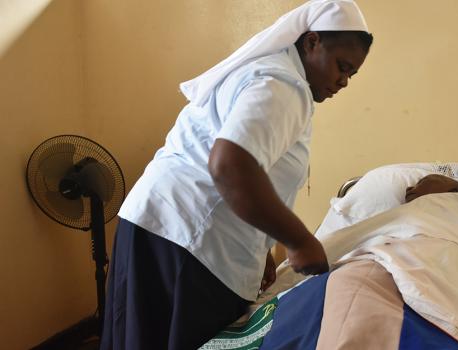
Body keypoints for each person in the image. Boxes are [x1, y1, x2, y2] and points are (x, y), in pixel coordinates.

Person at [100, 1, 373, 349]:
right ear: (312, 42)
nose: (343, 81)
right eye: (341, 66)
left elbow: (256, 173)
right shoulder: (284, 87)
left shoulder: (268, 73)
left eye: (351, 74)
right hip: (190, 245)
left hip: (160, 228)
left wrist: (263, 250)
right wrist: (299, 240)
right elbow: (230, 165)